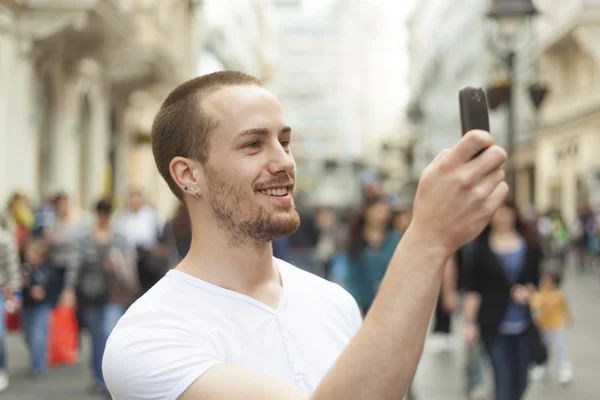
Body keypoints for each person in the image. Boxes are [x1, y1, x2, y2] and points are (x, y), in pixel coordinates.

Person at [102, 71, 508, 400]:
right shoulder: (147, 337)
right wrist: (428, 237)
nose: (284, 162)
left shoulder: (334, 303)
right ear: (189, 175)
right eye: (252, 145)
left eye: (284, 141)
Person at [463, 197, 543, 400]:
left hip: (524, 324)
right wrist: (469, 323)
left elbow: (537, 283)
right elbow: (473, 289)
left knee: (521, 381)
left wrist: (528, 292)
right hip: (493, 324)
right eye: (496, 211)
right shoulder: (480, 249)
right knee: (503, 381)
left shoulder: (531, 246)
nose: (502, 216)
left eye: (506, 211)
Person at [529, 269, 574, 384]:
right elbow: (534, 306)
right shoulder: (539, 294)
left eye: (546, 280)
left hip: (556, 326)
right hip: (542, 327)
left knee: (560, 347)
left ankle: (564, 369)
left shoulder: (559, 294)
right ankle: (542, 368)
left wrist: (569, 318)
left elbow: (565, 307)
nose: (543, 282)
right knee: (543, 348)